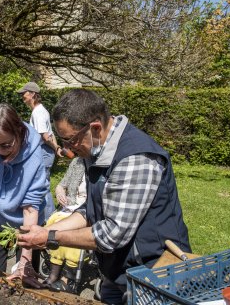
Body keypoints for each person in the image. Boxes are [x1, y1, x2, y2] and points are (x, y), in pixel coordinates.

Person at [17, 89, 191, 304]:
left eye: (70, 140)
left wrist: (50, 238)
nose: (67, 148)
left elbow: (111, 235)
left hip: (155, 274)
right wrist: (45, 230)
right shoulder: (94, 149)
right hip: (117, 270)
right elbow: (91, 210)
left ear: (95, 128)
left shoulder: (135, 158)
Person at [0, 103, 48, 288]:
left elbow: (30, 208)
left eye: (6, 145)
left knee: (26, 277)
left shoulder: (34, 156)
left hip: (28, 225)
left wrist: (24, 261)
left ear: (19, 133)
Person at [17, 82, 62, 219]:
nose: (22, 96)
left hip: (43, 151)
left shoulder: (38, 112)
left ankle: (49, 220)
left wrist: (56, 148)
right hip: (45, 151)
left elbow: (45, 136)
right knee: (42, 184)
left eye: (24, 93)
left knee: (42, 186)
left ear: (32, 94)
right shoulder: (40, 111)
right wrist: (57, 148)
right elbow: (50, 133)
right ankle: (47, 218)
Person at [44, 157, 87, 292]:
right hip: (70, 207)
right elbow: (61, 185)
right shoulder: (78, 162)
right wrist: (60, 192)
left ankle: (67, 277)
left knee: (71, 231)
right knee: (54, 223)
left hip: (87, 212)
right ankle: (54, 272)